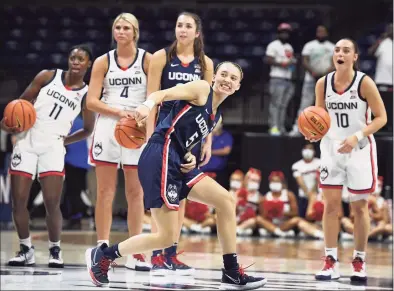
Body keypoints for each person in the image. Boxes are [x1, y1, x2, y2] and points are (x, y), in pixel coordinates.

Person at [85, 62, 267, 290]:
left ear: (238, 86)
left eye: (233, 78)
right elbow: (163, 93)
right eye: (223, 74)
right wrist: (147, 105)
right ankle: (103, 255)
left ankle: (231, 272)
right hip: (160, 155)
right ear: (214, 77)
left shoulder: (215, 116)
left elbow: (182, 132)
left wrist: (190, 154)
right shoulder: (201, 88)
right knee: (165, 237)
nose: (227, 80)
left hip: (179, 161)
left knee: (226, 201)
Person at [1, 45, 95, 267]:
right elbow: (21, 104)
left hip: (53, 147)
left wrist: (64, 141)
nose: (75, 61)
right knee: (19, 202)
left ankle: (55, 250)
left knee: (52, 203)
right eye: (72, 57)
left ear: (88, 64)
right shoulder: (47, 76)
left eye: (81, 59)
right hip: (27, 142)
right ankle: (26, 249)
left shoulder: (86, 94)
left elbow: (88, 129)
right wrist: (11, 123)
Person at [310, 38, 387, 281]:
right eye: (337, 50)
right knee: (331, 206)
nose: (340, 54)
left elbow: (381, 117)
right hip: (332, 148)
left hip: (359, 148)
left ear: (354, 57)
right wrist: (313, 132)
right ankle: (330, 260)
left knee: (359, 206)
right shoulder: (322, 83)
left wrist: (357, 136)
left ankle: (359, 260)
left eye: (346, 50)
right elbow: (318, 117)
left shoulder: (364, 82)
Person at [146, 11, 214, 275]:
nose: (182, 30)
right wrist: (150, 134)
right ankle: (155, 254)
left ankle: (171, 253)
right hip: (164, 134)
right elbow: (152, 97)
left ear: (197, 32)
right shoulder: (161, 57)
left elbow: (208, 106)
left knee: (181, 195)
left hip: (190, 137)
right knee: (159, 197)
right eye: (179, 25)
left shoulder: (205, 63)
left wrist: (206, 141)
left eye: (188, 26)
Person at [85, 13, 152, 271]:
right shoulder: (103, 61)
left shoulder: (147, 59)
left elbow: (153, 94)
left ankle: (134, 251)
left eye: (126, 28)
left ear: (135, 32)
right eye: (117, 27)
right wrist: (117, 112)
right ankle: (102, 246)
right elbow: (91, 101)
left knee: (136, 192)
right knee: (105, 191)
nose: (121, 31)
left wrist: (143, 118)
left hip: (137, 126)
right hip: (108, 126)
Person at [289, 25, 335, 136]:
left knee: (328, 106)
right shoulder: (309, 45)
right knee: (305, 104)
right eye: (319, 31)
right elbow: (304, 61)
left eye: (323, 32)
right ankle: (297, 128)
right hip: (310, 79)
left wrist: (324, 74)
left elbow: (335, 63)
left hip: (326, 81)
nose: (320, 33)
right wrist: (313, 72)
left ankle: (328, 131)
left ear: (327, 33)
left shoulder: (333, 47)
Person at [256, 171, 323, 238]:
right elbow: (262, 216)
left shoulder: (289, 195)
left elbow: (295, 213)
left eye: (277, 182)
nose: (275, 184)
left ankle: (276, 232)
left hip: (285, 224)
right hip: (270, 224)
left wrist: (282, 213)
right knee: (258, 219)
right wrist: (270, 212)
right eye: (273, 182)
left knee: (297, 220)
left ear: (282, 183)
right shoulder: (265, 197)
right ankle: (278, 232)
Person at [265, 23, 296, 136]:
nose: (285, 34)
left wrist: (292, 64)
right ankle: (273, 127)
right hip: (277, 78)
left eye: (287, 32)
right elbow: (268, 60)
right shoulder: (273, 45)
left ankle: (280, 127)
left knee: (283, 105)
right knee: (275, 104)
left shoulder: (289, 47)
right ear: (278, 33)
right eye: (283, 32)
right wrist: (282, 63)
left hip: (287, 78)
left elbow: (290, 63)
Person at [368, 23, 393, 132]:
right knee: (381, 105)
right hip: (382, 80)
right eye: (390, 29)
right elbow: (370, 52)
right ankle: (380, 126)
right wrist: (380, 40)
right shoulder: (382, 42)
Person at [291, 143, 320, 218]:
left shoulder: (320, 163)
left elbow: (319, 178)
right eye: (306, 149)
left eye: (310, 149)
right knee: (303, 216)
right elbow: (299, 180)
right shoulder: (296, 165)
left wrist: (313, 193)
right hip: (303, 196)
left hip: (317, 195)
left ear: (314, 151)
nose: (308, 151)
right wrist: (308, 193)